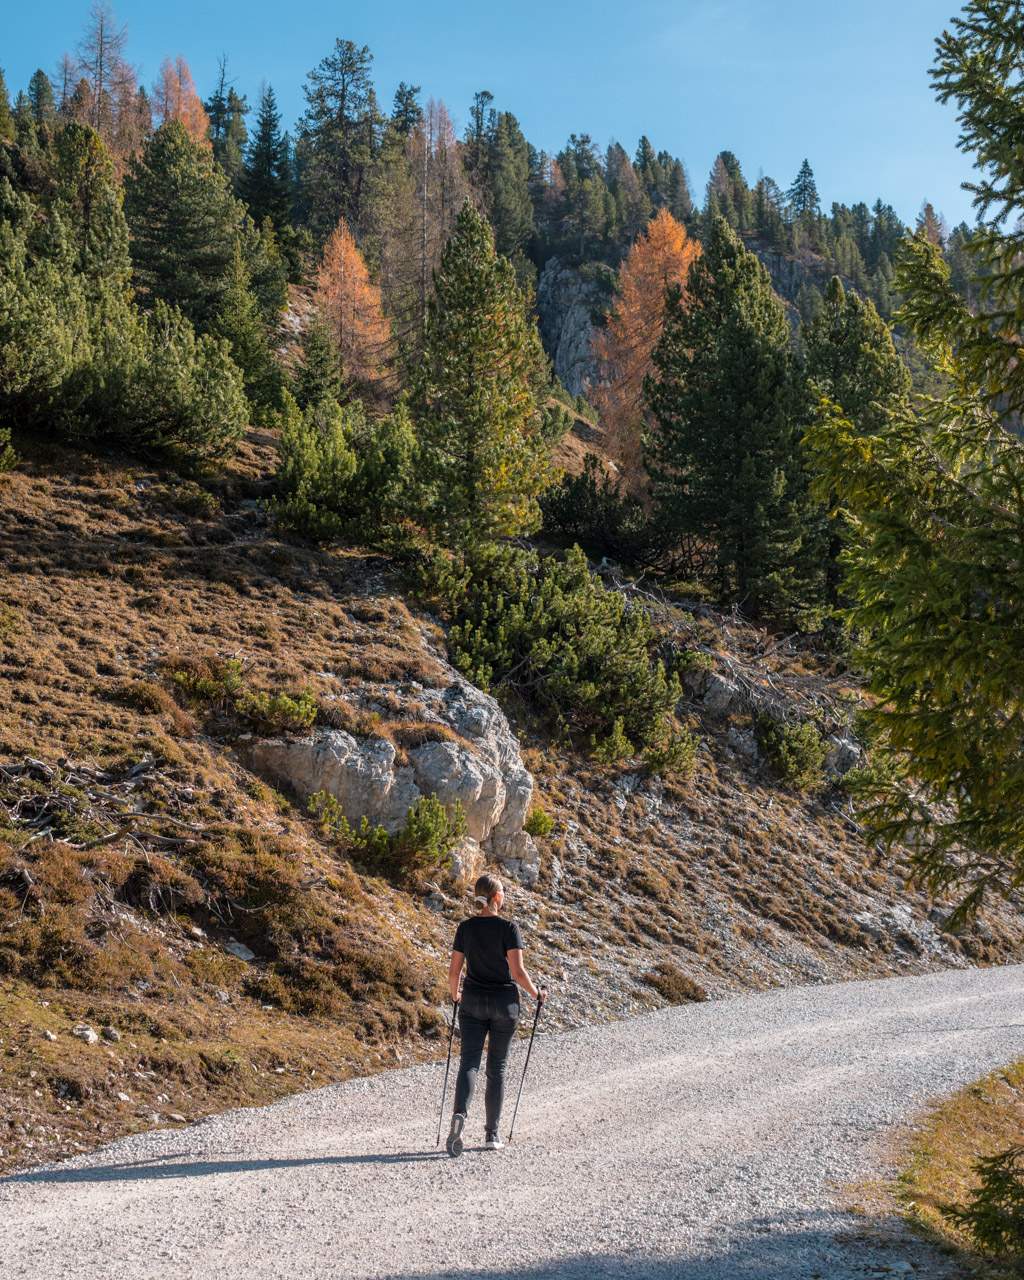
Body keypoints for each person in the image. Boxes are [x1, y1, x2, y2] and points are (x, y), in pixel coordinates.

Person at [445, 873, 546, 1156]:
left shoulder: (465, 928)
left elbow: (454, 971)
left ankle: (459, 1117)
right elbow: (517, 972)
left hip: (473, 1002)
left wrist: (455, 995)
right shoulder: (509, 928)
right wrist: (536, 994)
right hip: (504, 1004)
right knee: (497, 1069)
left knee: (469, 1063)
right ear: (497, 898)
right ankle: (492, 1134)